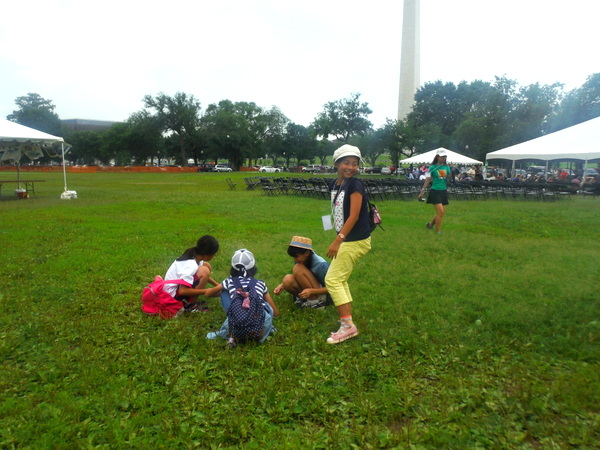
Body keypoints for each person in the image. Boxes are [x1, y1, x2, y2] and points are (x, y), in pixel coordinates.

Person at [324, 144, 371, 345]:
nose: (351, 167)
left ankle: (348, 326)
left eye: (354, 163)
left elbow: (354, 215)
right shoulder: (336, 184)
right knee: (339, 279)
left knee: (333, 280)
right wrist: (332, 230)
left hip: (355, 240)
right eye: (346, 162)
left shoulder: (355, 185)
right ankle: (347, 319)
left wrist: (338, 240)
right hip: (347, 238)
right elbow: (335, 209)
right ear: (336, 164)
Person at [205, 249, 279, 344]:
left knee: (224, 292)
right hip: (259, 331)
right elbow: (275, 313)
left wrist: (227, 291)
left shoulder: (229, 281)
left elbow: (207, 294)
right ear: (253, 268)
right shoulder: (260, 283)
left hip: (237, 328)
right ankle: (268, 329)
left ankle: (232, 334)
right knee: (265, 305)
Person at [163, 235, 219, 313]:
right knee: (205, 270)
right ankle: (190, 305)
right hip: (172, 297)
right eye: (214, 254)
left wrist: (219, 286)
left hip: (175, 290)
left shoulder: (196, 256)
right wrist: (207, 291)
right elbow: (182, 291)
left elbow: (205, 277)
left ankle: (190, 301)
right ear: (208, 255)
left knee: (206, 266)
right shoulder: (190, 265)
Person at [273, 236, 331, 308]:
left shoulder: (321, 265)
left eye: (296, 256)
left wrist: (312, 291)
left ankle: (315, 303)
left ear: (306, 253)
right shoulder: (301, 260)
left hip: (323, 295)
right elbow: (299, 276)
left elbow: (333, 288)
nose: (295, 259)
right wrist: (282, 285)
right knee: (287, 279)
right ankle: (304, 299)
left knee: (298, 268)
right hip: (312, 290)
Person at [419, 149, 451, 235]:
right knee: (440, 212)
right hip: (435, 191)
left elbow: (447, 178)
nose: (443, 158)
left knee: (441, 212)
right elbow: (427, 180)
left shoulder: (447, 167)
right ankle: (438, 231)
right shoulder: (432, 168)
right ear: (437, 157)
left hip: (443, 191)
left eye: (445, 157)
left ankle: (430, 225)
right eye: (442, 157)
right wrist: (422, 192)